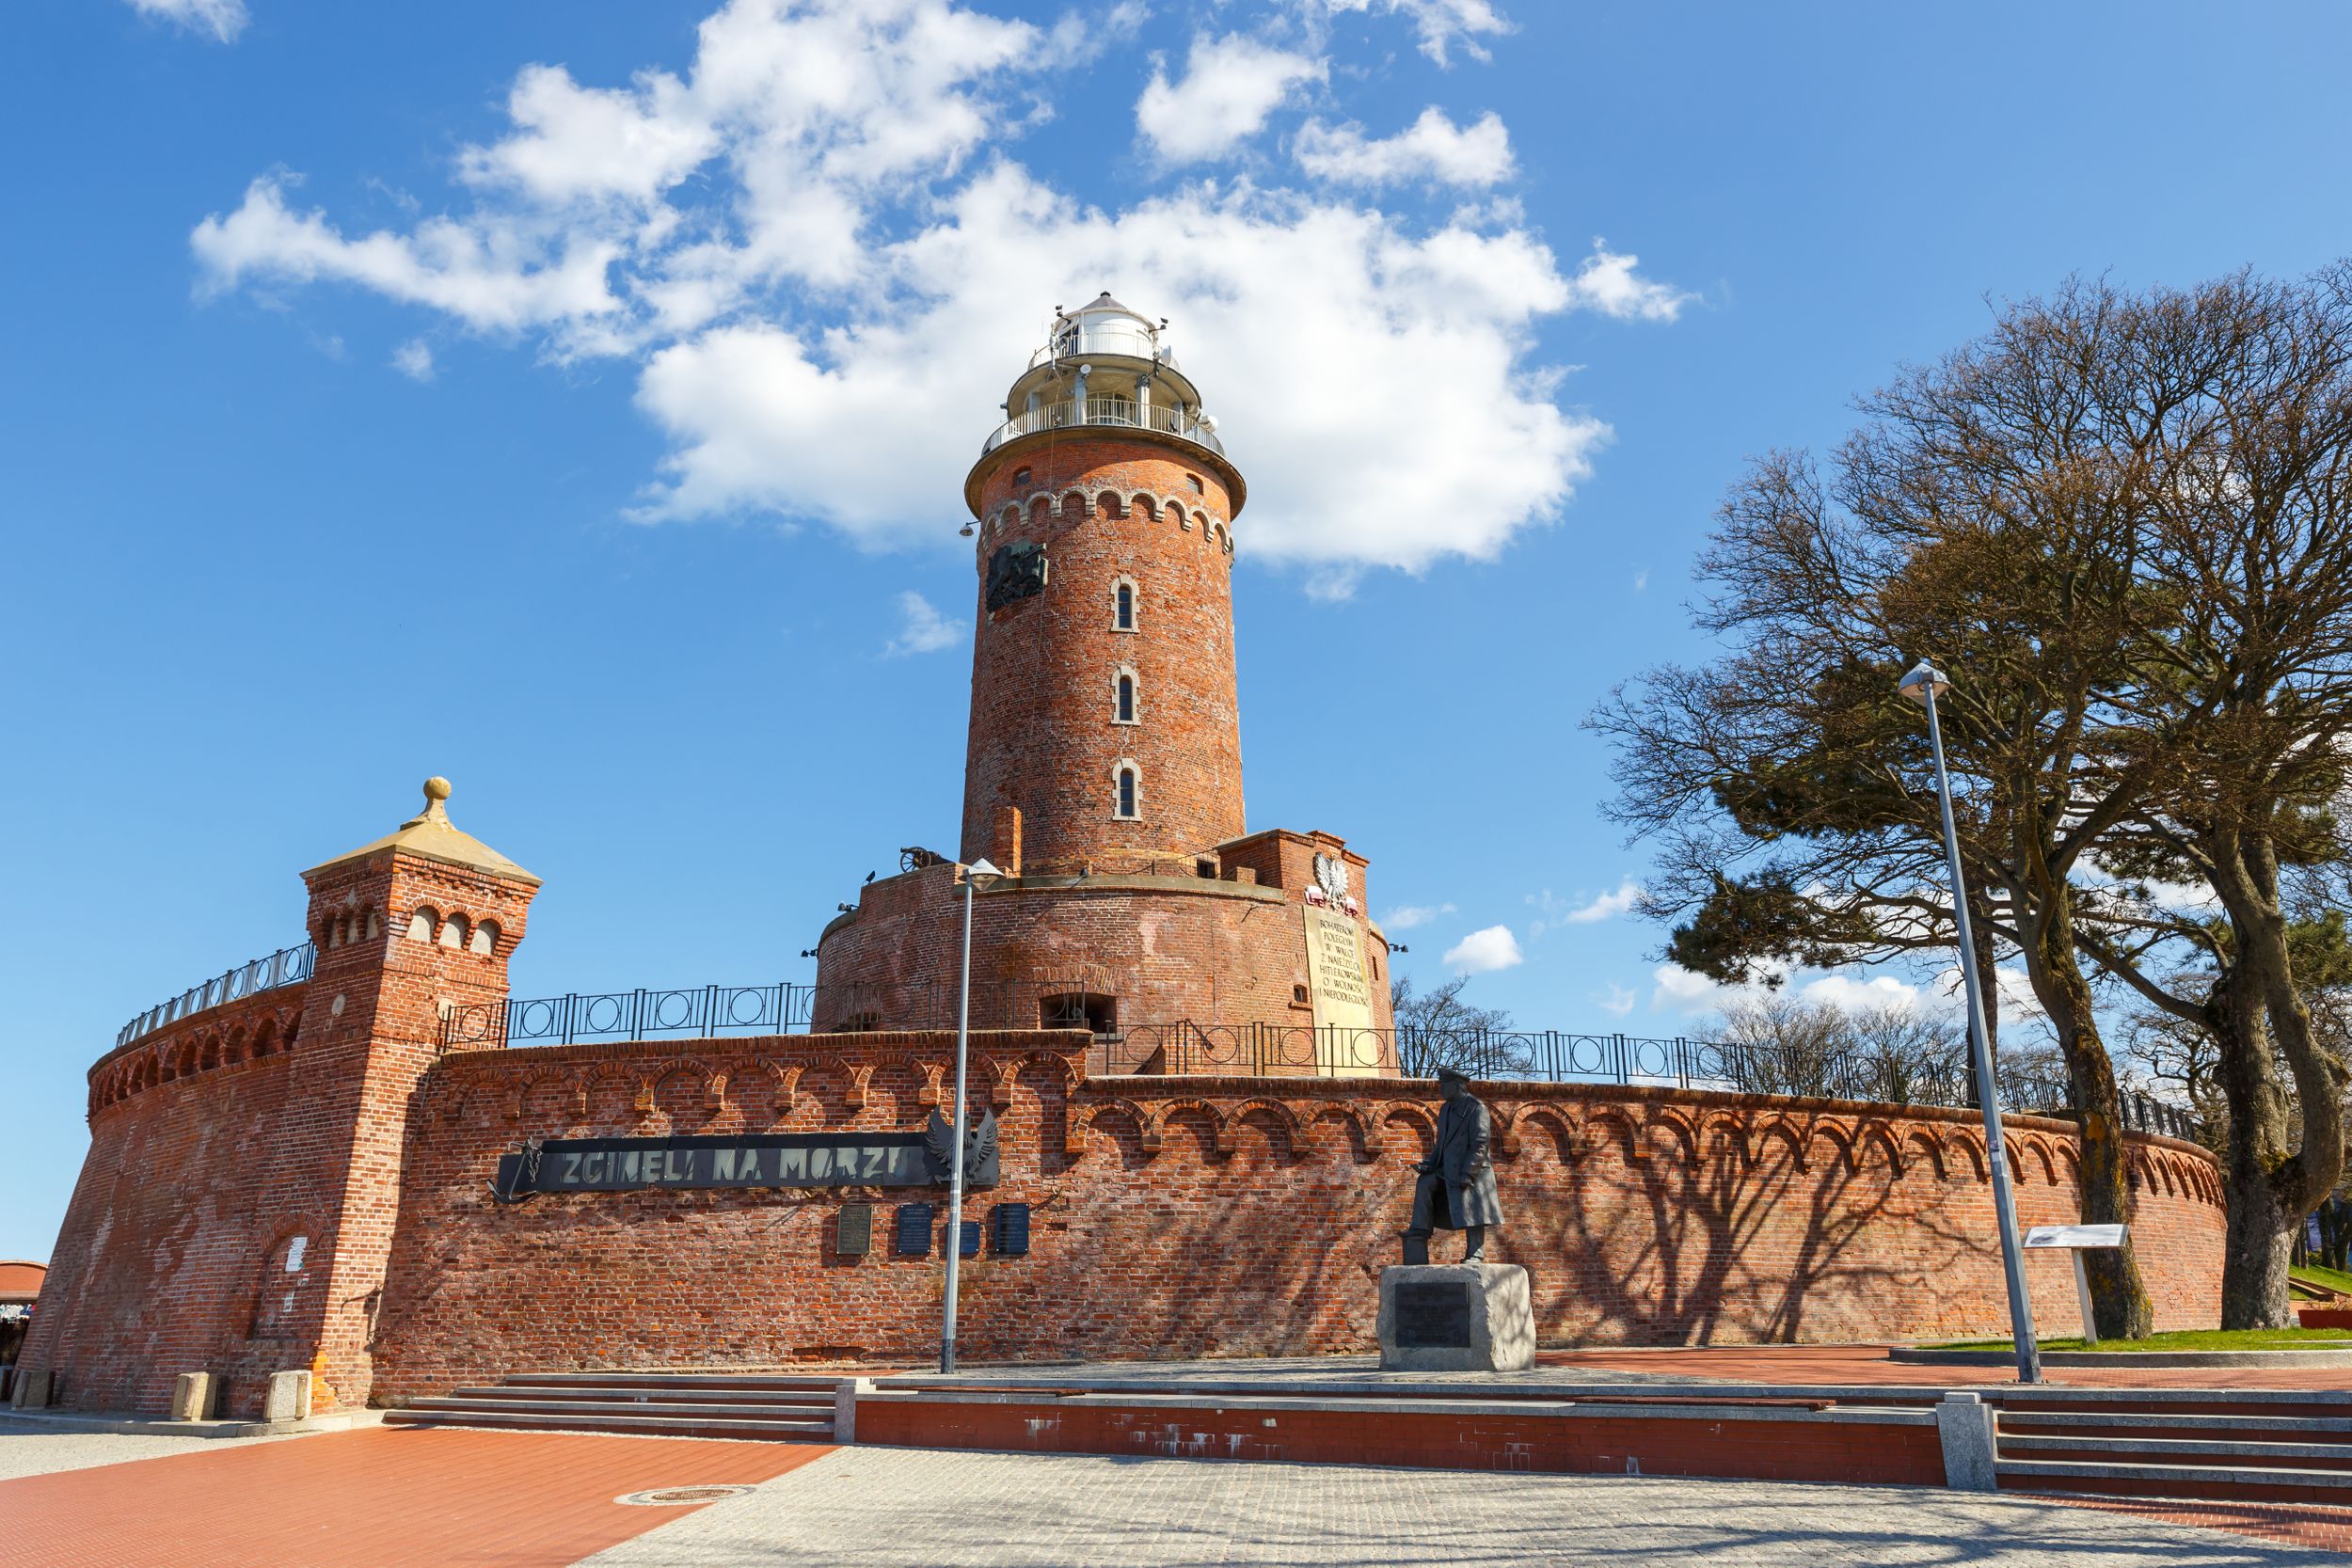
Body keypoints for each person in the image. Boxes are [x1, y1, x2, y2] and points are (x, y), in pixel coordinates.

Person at [1403, 1067, 1505, 1264]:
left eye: (1444, 1085)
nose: (1441, 1089)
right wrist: (1430, 1164)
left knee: (1473, 1207)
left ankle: (1475, 1253)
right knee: (1425, 1182)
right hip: (1447, 1168)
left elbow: (1480, 1143)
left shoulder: (1476, 1108)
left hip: (1471, 1169)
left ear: (1458, 1086)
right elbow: (1441, 1144)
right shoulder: (1445, 1109)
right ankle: (1419, 1232)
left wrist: (1468, 1173)